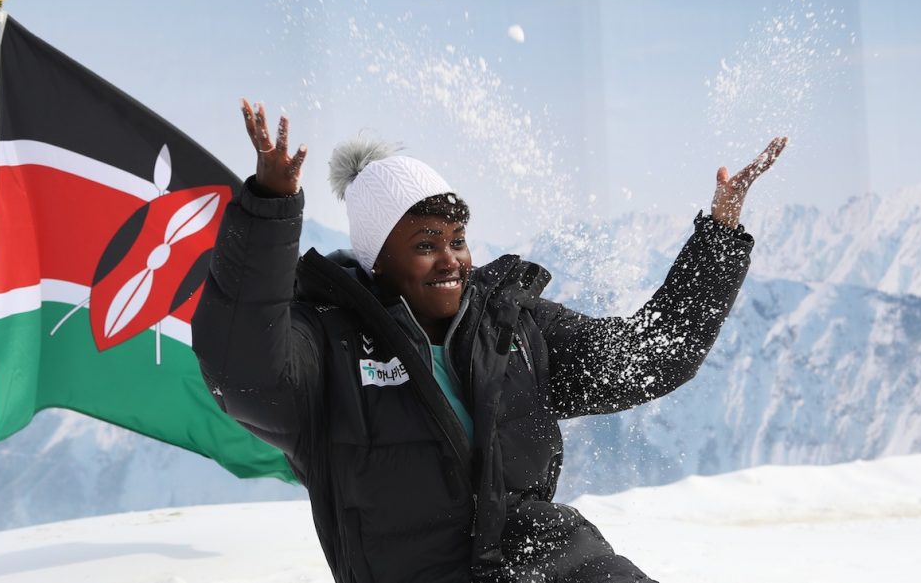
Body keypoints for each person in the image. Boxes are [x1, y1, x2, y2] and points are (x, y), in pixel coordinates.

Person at [191, 98, 787, 583]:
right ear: (379, 259)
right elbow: (243, 373)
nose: (450, 258)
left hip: (556, 566)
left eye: (457, 238)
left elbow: (652, 356)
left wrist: (720, 233)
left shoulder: (513, 327)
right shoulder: (328, 349)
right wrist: (270, 209)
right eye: (426, 243)